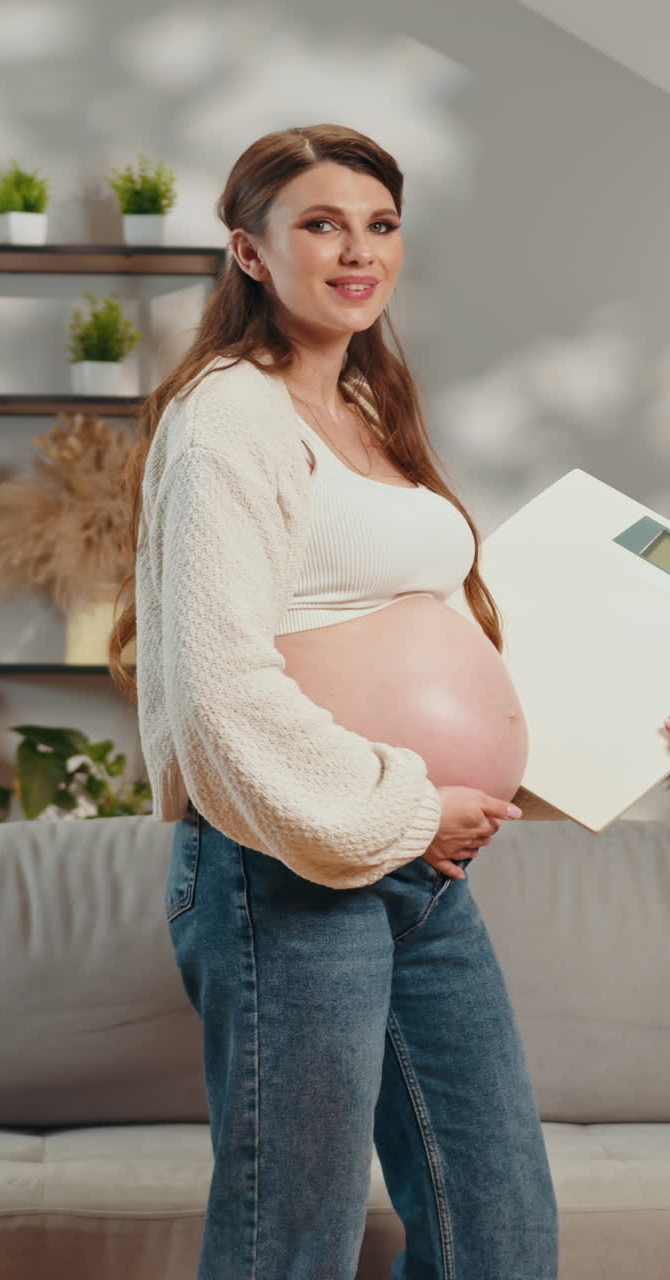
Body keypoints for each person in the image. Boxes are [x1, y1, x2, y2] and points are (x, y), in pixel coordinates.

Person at [109, 122, 670, 1280]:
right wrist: (410, 806)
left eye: (379, 224)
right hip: (289, 866)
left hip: (420, 872)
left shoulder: (368, 413)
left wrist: (603, 727)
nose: (357, 250)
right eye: (320, 223)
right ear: (251, 253)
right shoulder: (226, 418)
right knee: (291, 1242)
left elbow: (436, 648)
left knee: (501, 1233)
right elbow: (220, 693)